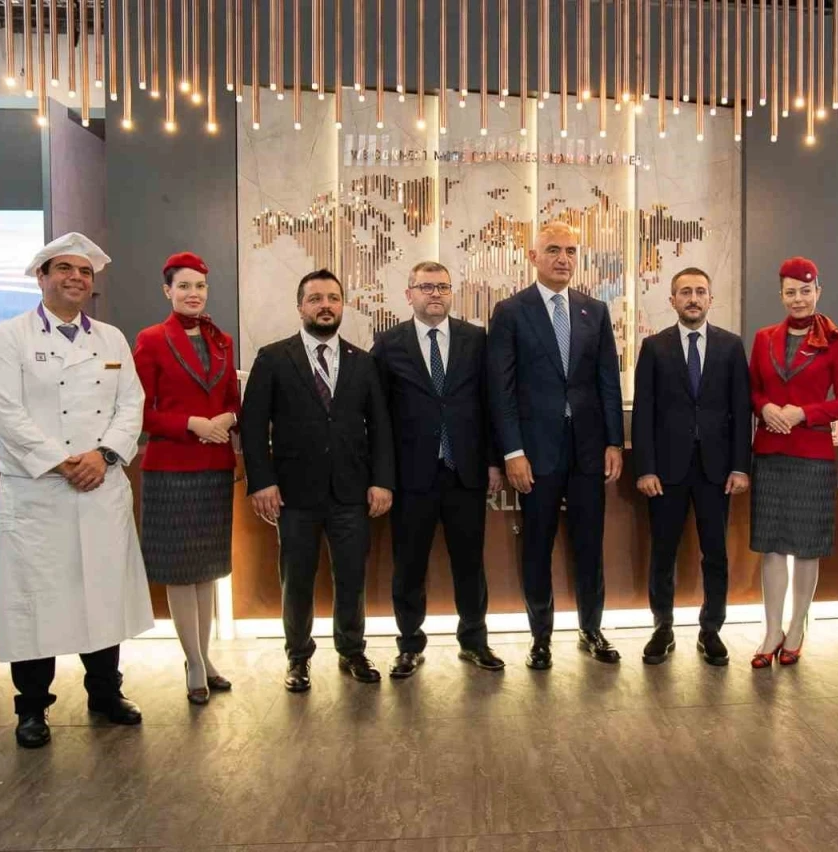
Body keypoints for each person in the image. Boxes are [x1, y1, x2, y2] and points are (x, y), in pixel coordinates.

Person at [0, 233, 153, 749]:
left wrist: (104, 455)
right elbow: (3, 412)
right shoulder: (8, 337)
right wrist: (62, 461)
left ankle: (105, 693)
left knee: (102, 594)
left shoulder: (112, 339)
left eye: (85, 271)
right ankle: (32, 708)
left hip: (101, 487)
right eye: (65, 269)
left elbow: (131, 404)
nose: (76, 278)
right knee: (37, 603)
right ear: (42, 276)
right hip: (39, 494)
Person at [240, 269, 394, 692]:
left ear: (342, 306)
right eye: (315, 299)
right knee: (297, 580)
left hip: (351, 492)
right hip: (293, 495)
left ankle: (352, 651)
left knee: (352, 578)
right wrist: (262, 482)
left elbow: (381, 427)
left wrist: (382, 480)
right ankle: (298, 657)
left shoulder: (363, 362)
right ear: (300, 307)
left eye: (333, 298)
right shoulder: (273, 358)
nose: (325, 305)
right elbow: (253, 426)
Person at [487, 221, 625, 670]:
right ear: (533, 257)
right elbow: (501, 390)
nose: (563, 258)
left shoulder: (594, 311)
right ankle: (540, 637)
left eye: (570, 250)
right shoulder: (511, 311)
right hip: (535, 453)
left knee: (590, 545)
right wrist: (512, 452)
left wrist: (614, 441)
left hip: (587, 451)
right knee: (537, 546)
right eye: (553, 250)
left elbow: (607, 381)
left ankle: (591, 630)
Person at [371, 261, 506, 678]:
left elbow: (491, 404)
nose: (435, 294)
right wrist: (383, 476)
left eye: (443, 287)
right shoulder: (388, 343)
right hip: (411, 476)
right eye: (426, 287)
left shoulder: (475, 339)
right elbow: (378, 416)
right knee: (409, 564)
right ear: (409, 294)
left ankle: (475, 641)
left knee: (470, 563)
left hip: (465, 472)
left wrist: (493, 461)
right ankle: (409, 645)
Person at [133, 252, 239, 704]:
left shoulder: (222, 341)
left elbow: (233, 399)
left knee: (207, 571)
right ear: (167, 291)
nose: (193, 294)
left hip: (214, 467)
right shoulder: (151, 339)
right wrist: (193, 423)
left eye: (200, 286)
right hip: (171, 469)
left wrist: (228, 418)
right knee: (180, 572)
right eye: (184, 286)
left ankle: (205, 656)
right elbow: (139, 411)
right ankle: (194, 662)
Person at [632, 267, 751, 666]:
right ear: (673, 301)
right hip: (666, 471)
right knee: (663, 552)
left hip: (717, 471)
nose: (693, 298)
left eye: (700, 291)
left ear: (710, 299)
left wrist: (741, 466)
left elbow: (741, 410)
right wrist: (645, 468)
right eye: (685, 292)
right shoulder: (654, 347)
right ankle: (662, 628)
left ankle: (711, 629)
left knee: (715, 553)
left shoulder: (731, 346)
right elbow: (643, 413)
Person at [748, 257, 838, 668]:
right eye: (791, 292)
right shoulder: (764, 338)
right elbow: (752, 389)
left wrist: (804, 413)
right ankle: (771, 630)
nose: (798, 299)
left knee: (807, 547)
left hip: (812, 456)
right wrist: (765, 407)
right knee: (772, 547)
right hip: (770, 453)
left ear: (818, 292)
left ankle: (797, 628)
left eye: (805, 291)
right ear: (781, 295)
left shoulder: (837, 341)